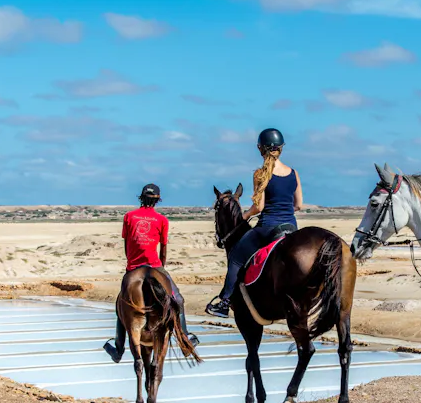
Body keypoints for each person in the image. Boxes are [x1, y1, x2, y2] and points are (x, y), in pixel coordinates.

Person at [205, 128, 303, 317]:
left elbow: (258, 207)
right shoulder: (294, 173)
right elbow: (298, 205)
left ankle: (224, 302)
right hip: (291, 227)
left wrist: (244, 217)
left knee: (235, 258)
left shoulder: (260, 174)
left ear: (260, 149)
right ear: (281, 148)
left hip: (268, 227)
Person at [103, 183, 198, 362]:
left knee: (121, 306)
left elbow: (127, 245)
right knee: (178, 300)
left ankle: (118, 349)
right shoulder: (162, 220)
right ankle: (185, 342)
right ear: (157, 200)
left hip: (133, 267)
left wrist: (131, 264)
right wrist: (161, 269)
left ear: (141, 198)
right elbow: (163, 250)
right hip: (155, 266)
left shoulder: (129, 217)